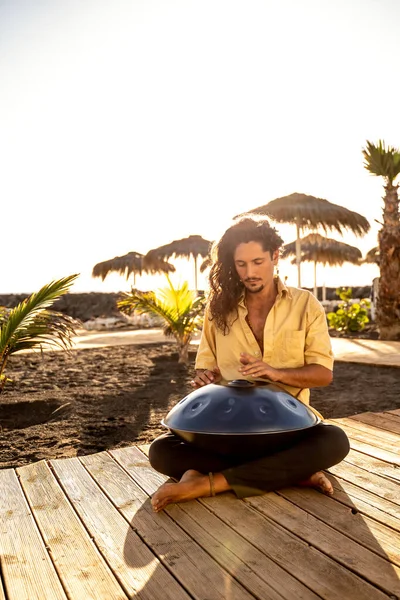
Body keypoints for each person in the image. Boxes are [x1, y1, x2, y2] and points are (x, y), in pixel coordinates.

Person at [149, 215, 350, 512]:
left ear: (275, 256)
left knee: (335, 441)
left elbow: (323, 374)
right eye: (241, 264)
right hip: (229, 436)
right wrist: (207, 377)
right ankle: (290, 473)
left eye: (257, 262)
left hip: (286, 432)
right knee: (161, 450)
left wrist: (274, 372)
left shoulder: (306, 305)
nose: (250, 272)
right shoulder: (218, 308)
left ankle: (208, 483)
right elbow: (206, 366)